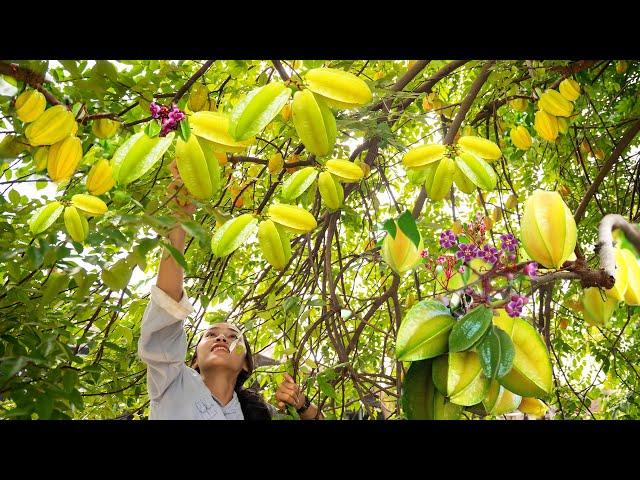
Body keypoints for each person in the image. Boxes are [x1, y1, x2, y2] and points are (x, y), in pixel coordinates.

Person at [137, 160, 323, 420]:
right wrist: (179, 221)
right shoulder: (171, 382)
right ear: (194, 361)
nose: (221, 338)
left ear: (247, 363)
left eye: (232, 336)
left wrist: (301, 405)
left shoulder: (258, 413)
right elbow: (167, 309)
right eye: (210, 334)